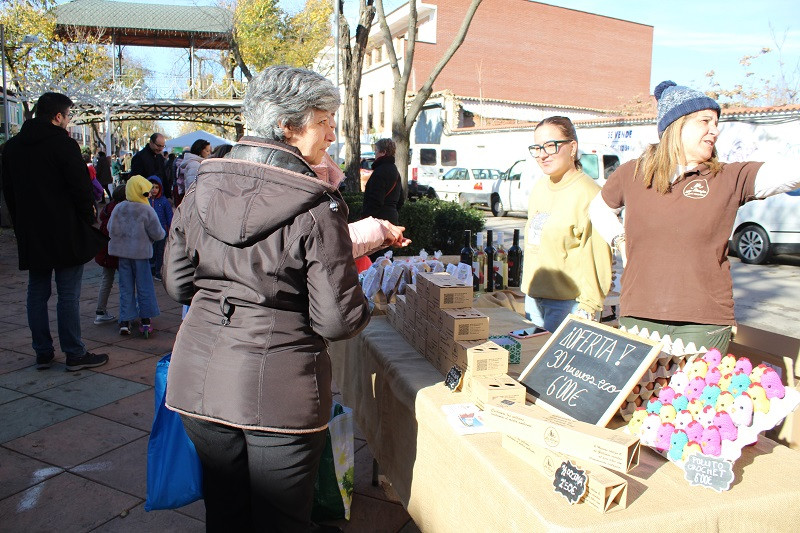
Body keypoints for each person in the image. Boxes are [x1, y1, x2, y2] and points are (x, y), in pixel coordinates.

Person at [163, 65, 408, 532]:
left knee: (227, 513)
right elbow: (337, 320)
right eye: (325, 121)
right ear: (288, 126)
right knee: (280, 520)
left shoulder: (200, 186)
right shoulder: (316, 204)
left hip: (198, 377)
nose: (333, 133)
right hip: (279, 390)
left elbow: (177, 285)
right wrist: (362, 304)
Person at [589, 80, 800, 353]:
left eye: (716, 123)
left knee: (692, 396)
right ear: (677, 125)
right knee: (640, 396)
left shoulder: (728, 177)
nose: (715, 130)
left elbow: (789, 173)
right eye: (705, 121)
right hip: (639, 313)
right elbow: (598, 208)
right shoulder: (633, 173)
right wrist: (620, 240)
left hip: (703, 323)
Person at [1, 91, 109, 371]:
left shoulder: (12, 147)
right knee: (68, 293)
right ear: (58, 116)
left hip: (32, 231)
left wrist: (19, 224)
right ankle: (74, 352)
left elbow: (9, 192)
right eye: (68, 116)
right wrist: (89, 218)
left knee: (36, 292)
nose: (69, 121)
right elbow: (80, 188)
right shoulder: (64, 145)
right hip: (65, 230)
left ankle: (43, 351)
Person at [520, 116, 612, 332]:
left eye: (551, 146)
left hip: (567, 306)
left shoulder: (590, 194)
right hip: (533, 300)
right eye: (537, 148)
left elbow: (598, 256)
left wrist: (589, 307)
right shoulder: (540, 188)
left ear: (572, 147)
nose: (542, 155)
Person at [108, 174, 165, 336]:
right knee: (144, 285)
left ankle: (125, 320)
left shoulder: (119, 208)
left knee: (125, 286)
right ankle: (145, 319)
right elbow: (158, 233)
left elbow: (111, 229)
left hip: (122, 254)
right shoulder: (146, 209)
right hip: (141, 254)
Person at [361, 138, 404, 260]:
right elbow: (401, 199)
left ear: (383, 152)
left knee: (375, 259)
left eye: (376, 151)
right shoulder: (395, 171)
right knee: (386, 257)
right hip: (391, 219)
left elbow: (375, 201)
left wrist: (365, 220)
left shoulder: (380, 172)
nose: (375, 154)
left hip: (378, 222)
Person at [94, 184, 127, 324]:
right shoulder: (121, 211)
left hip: (106, 253)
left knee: (106, 280)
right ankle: (126, 312)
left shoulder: (108, 210)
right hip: (116, 253)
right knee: (126, 282)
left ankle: (100, 310)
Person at [147, 175, 173, 281]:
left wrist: (171, 229)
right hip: (148, 232)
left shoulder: (164, 201)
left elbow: (169, 216)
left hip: (162, 231)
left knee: (160, 252)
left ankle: (158, 271)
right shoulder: (145, 201)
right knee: (150, 252)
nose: (154, 190)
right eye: (152, 187)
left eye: (156, 187)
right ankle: (151, 270)